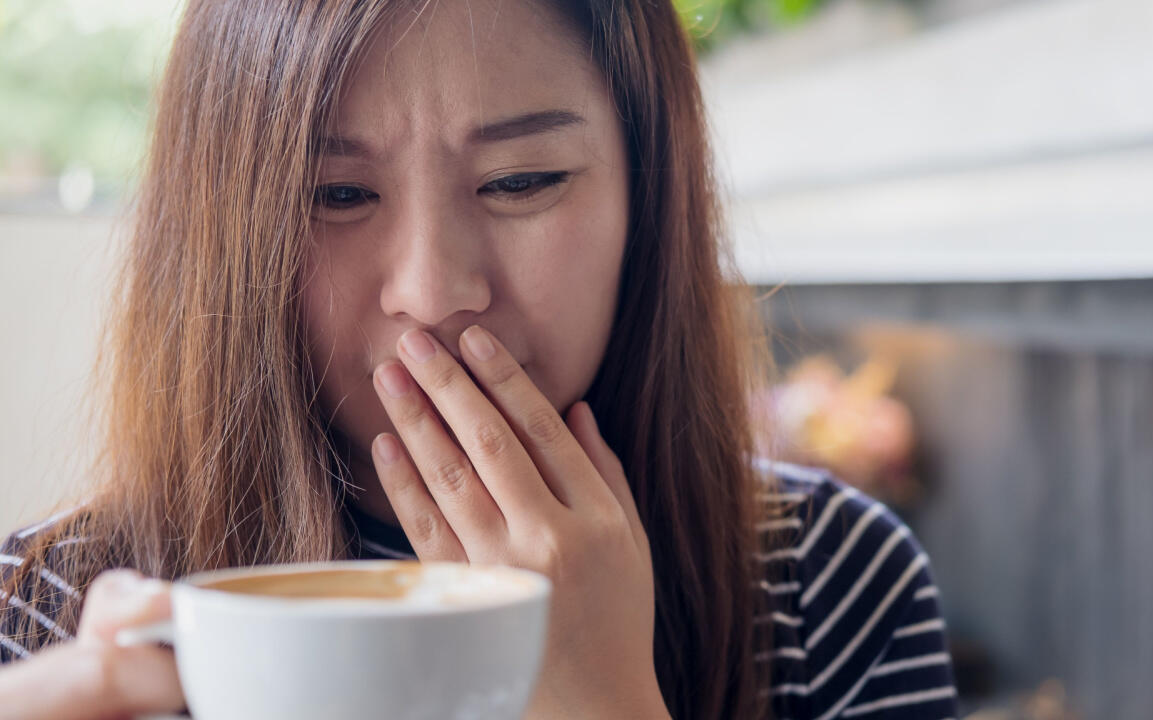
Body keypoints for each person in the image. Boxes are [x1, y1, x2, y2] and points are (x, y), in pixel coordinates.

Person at [0, 0, 959, 717]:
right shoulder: (41, 611)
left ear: (649, 196)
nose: (430, 288)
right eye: (335, 194)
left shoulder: (830, 585)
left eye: (521, 181)